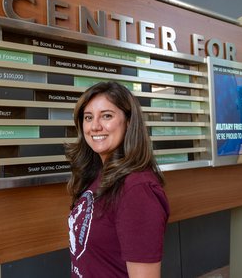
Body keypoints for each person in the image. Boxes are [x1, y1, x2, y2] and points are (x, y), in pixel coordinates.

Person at [65, 81, 169, 278]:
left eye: (106, 116)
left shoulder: (137, 190)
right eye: (88, 117)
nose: (95, 126)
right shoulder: (100, 174)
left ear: (129, 121)